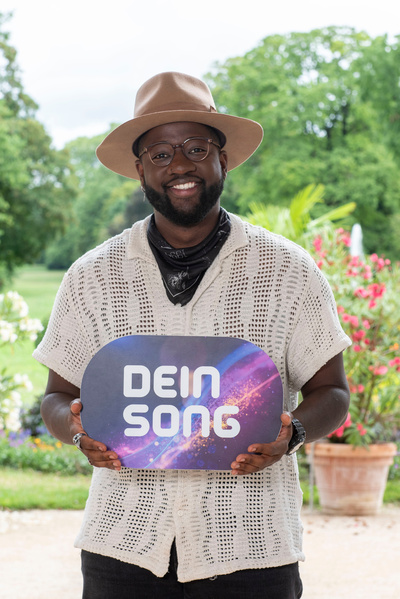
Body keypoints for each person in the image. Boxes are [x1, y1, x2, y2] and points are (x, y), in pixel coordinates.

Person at [34, 71, 351, 599]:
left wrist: (292, 433)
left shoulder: (288, 271)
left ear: (223, 158)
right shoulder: (92, 276)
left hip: (252, 549)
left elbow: (333, 392)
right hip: (122, 549)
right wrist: (75, 428)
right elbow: (56, 397)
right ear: (140, 170)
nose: (179, 164)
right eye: (160, 154)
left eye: (195, 148)